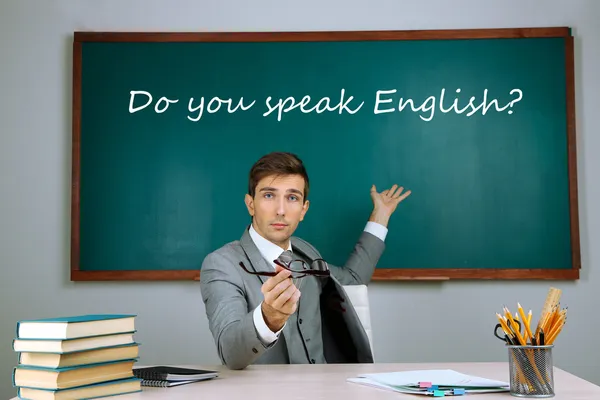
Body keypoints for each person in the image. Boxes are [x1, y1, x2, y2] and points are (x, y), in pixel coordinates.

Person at [199, 152, 410, 370]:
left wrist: (381, 216)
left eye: (292, 198)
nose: (281, 211)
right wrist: (268, 318)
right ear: (250, 204)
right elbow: (230, 352)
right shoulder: (222, 264)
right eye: (269, 196)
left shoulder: (306, 253)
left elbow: (353, 280)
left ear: (303, 209)